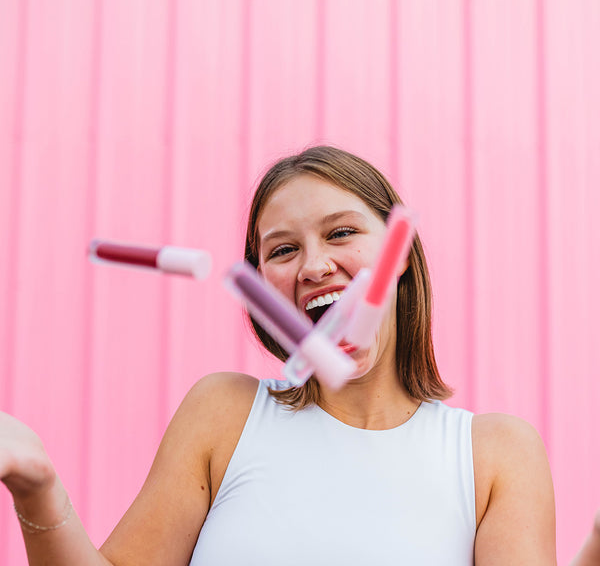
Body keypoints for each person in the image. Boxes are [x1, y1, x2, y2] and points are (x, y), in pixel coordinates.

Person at [1, 145, 557, 564]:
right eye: (284, 249)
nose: (314, 266)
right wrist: (38, 486)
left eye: (341, 233)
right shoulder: (224, 414)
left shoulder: (496, 455)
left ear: (399, 253)